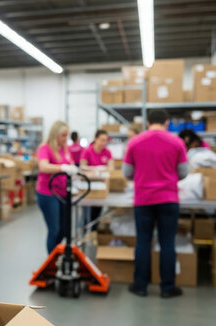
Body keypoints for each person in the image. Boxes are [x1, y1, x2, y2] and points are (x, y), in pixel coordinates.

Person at [123, 109, 188, 298]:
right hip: (168, 199)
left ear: (148, 122)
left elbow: (127, 172)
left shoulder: (135, 142)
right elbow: (183, 172)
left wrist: (143, 176)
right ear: (167, 122)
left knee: (143, 241)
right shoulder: (177, 142)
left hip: (143, 199)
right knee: (167, 242)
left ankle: (140, 285)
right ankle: (167, 288)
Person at [36, 120, 78, 255]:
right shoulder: (45, 148)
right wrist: (62, 168)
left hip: (63, 193)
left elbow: (71, 164)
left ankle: (57, 255)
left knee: (64, 230)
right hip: (48, 194)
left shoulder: (65, 149)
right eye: (63, 135)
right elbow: (43, 166)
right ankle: (51, 262)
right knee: (54, 229)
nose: (66, 138)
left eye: (67, 135)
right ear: (55, 134)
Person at [80, 129, 113, 230]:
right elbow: (82, 166)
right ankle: (84, 232)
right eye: (102, 140)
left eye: (105, 140)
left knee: (96, 214)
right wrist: (94, 169)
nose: (104, 143)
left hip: (101, 186)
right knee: (86, 215)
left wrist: (101, 170)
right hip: (88, 186)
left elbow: (111, 168)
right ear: (96, 139)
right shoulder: (87, 151)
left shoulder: (107, 152)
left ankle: (94, 232)